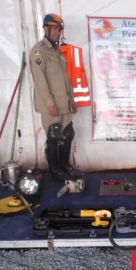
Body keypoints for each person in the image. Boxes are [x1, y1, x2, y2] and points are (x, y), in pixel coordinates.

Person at [30, 13, 85, 180]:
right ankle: (55, 170)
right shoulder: (39, 51)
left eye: (59, 29)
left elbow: (65, 78)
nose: (57, 33)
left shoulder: (58, 51)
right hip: (51, 104)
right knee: (53, 136)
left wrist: (72, 100)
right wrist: (49, 103)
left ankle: (65, 166)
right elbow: (40, 81)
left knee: (68, 134)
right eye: (54, 29)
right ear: (45, 28)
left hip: (64, 102)